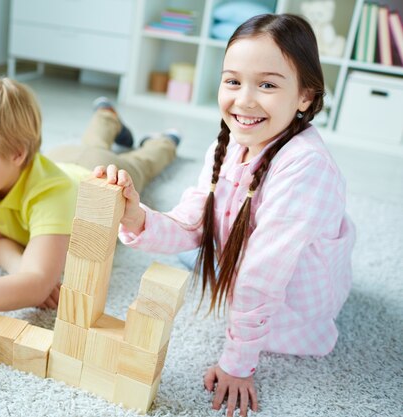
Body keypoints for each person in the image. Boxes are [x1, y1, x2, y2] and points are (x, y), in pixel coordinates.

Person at [94, 14, 355, 417]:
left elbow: (263, 276)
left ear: (305, 95)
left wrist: (238, 364)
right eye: (233, 81)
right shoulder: (232, 144)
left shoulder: (307, 167)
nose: (245, 100)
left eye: (267, 85)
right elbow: (194, 223)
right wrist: (134, 217)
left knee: (208, 264)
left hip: (288, 308)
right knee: (186, 248)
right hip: (246, 260)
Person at [0, 76, 180, 356]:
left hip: (94, 172)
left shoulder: (53, 195)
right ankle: (106, 116)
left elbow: (37, 284)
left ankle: (165, 141)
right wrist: (23, 269)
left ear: (16, 154)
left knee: (141, 162)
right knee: (89, 143)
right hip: (60, 158)